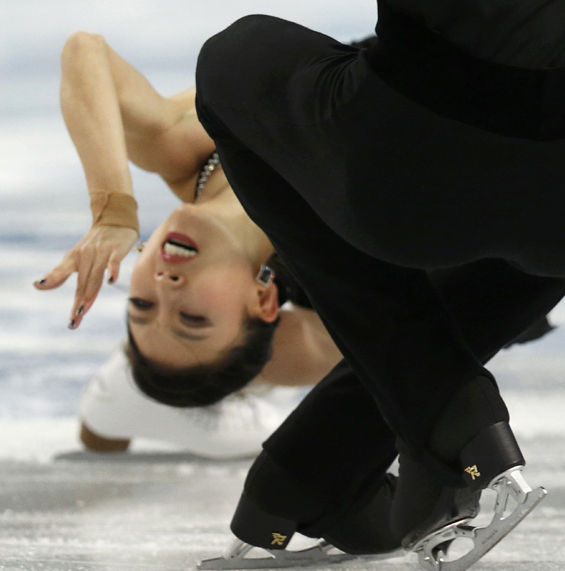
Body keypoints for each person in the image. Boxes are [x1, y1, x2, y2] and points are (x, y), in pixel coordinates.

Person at [192, 0, 565, 571]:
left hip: (420, 178)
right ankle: (317, 467)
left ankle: (447, 414)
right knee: (545, 190)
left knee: (232, 62)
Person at [33, 33, 343, 453]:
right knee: (339, 348)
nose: (165, 285)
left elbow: (85, 51)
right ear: (263, 300)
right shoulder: (341, 244)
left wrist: (113, 208)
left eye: (141, 303)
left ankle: (146, 394)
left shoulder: (184, 153)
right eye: (192, 318)